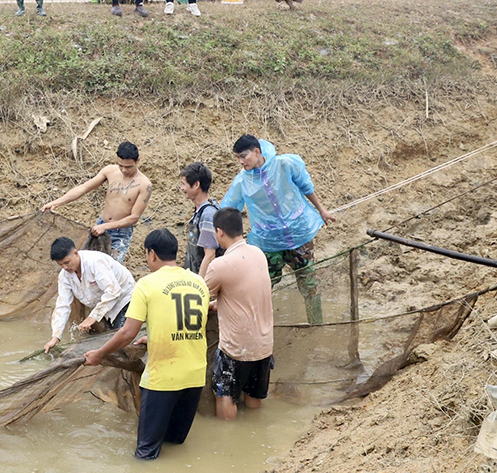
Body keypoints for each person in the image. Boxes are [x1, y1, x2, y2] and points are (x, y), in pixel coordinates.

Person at [83, 229, 208, 460]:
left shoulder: (147, 284)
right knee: (175, 444)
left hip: (163, 379)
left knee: (146, 454)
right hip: (195, 376)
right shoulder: (199, 282)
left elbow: (127, 333)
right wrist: (154, 337)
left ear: (151, 254)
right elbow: (189, 325)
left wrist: (99, 354)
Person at [219, 134, 335, 325]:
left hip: (299, 236)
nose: (240, 162)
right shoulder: (242, 182)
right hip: (269, 244)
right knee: (263, 286)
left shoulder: (284, 164)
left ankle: (317, 326)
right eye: (237, 158)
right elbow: (230, 210)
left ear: (257, 152)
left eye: (243, 156)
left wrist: (321, 210)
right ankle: (260, 327)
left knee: (309, 284)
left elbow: (305, 185)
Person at [204, 207, 274, 420]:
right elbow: (244, 291)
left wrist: (212, 304)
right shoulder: (258, 253)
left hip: (236, 349)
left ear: (219, 232)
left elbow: (198, 299)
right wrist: (221, 303)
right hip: (264, 345)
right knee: (253, 397)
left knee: (225, 395)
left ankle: (229, 441)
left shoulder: (220, 265)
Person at [41, 141, 152, 263]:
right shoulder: (110, 171)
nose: (124, 170)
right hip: (101, 224)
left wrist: (106, 227)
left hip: (120, 233)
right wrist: (56, 203)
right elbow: (83, 188)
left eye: (129, 167)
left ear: (138, 161)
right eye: (121, 165)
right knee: (89, 264)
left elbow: (134, 217)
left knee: (111, 267)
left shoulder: (144, 185)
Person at [43, 237, 136, 354]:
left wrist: (92, 318)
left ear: (76, 253)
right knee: (108, 340)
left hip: (124, 299)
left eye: (66, 262)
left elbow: (113, 291)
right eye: (60, 264)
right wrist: (56, 336)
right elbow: (63, 305)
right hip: (103, 305)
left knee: (123, 341)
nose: (65, 267)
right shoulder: (64, 276)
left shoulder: (95, 262)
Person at [178, 162, 219, 276]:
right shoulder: (200, 211)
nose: (182, 188)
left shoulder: (207, 214)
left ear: (196, 185)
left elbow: (210, 254)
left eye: (184, 184)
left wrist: (199, 284)